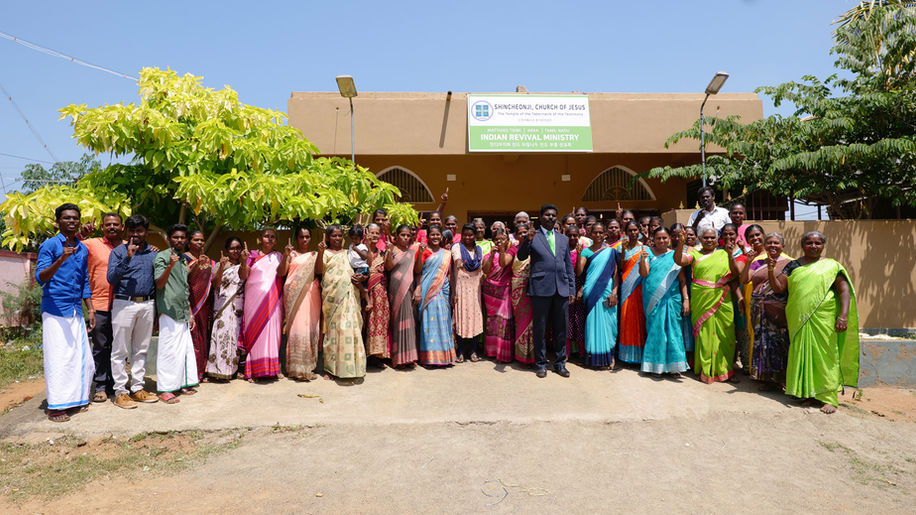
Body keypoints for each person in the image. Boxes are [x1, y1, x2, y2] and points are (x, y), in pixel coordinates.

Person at [770, 231, 859, 414]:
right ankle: (810, 393)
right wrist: (771, 270)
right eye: (809, 243)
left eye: (817, 243)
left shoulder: (831, 266)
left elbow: (844, 291)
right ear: (802, 246)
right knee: (803, 354)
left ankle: (828, 398)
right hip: (798, 318)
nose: (813, 246)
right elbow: (778, 288)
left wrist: (843, 316)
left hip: (824, 318)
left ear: (823, 245)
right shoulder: (793, 266)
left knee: (826, 355)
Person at [36, 203, 95, 422]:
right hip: (54, 309)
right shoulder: (49, 245)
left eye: (75, 218)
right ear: (58, 221)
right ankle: (56, 407)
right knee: (57, 358)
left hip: (74, 309)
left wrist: (90, 309)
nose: (72, 221)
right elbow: (41, 277)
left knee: (79, 357)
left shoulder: (82, 247)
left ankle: (75, 399)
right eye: (67, 218)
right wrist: (61, 259)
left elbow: (84, 281)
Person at [673, 226, 742, 383]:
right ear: (699, 239)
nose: (709, 240)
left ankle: (725, 370)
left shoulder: (725, 253)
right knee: (704, 335)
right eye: (706, 238)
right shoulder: (694, 253)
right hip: (701, 298)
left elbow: (735, 273)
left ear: (718, 239)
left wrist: (731, 255)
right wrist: (681, 243)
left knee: (726, 335)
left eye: (712, 238)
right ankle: (706, 370)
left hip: (723, 299)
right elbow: (679, 260)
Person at [516, 204, 575, 378]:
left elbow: (568, 266)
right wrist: (527, 240)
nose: (550, 218)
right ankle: (541, 364)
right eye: (547, 215)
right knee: (540, 328)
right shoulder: (533, 236)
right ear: (540, 217)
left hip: (561, 288)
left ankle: (560, 363)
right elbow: (521, 257)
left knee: (560, 329)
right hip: (541, 288)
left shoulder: (563, 239)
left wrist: (571, 288)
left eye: (553, 215)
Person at [107, 214, 159, 409]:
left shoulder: (153, 254)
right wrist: (128, 258)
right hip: (124, 303)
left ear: (146, 232)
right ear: (126, 232)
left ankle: (137, 388)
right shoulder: (118, 252)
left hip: (147, 304)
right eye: (131, 231)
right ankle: (120, 392)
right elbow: (111, 278)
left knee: (141, 349)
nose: (135, 234)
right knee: (120, 350)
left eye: (139, 231)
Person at [741, 228, 792, 388]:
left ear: (782, 245)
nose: (772, 246)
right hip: (758, 310)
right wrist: (748, 262)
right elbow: (744, 279)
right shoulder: (758, 261)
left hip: (777, 311)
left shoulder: (790, 263)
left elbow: (786, 288)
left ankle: (782, 379)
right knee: (762, 343)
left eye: (776, 243)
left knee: (779, 343)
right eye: (769, 243)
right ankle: (767, 379)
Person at [153, 225, 198, 403]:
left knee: (183, 350)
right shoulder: (163, 257)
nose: (179, 240)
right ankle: (164, 389)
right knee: (168, 351)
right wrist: (169, 265)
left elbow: (184, 289)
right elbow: (159, 284)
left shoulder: (182, 260)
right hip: (168, 311)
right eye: (175, 237)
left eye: (182, 238)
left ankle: (180, 383)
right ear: (169, 239)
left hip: (182, 312)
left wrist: (190, 313)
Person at [316, 225, 367, 380]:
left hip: (350, 296)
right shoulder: (324, 253)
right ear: (327, 237)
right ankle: (330, 369)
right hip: (332, 298)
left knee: (351, 330)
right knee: (333, 333)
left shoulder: (348, 253)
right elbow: (319, 271)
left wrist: (362, 277)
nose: (337, 238)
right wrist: (319, 253)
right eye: (334, 236)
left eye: (340, 235)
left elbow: (362, 267)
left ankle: (353, 367)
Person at [82, 212, 123, 403]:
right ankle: (100, 386)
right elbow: (70, 250)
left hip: (123, 305)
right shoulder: (91, 244)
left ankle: (117, 384)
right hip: (98, 304)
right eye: (108, 224)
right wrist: (81, 235)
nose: (112, 227)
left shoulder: (128, 247)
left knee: (119, 347)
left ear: (122, 227)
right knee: (100, 346)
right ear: (102, 227)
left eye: (115, 224)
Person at [639, 227, 689, 376]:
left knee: (674, 331)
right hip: (652, 298)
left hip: (672, 298)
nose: (661, 241)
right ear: (653, 239)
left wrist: (686, 299)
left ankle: (675, 367)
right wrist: (642, 259)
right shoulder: (647, 254)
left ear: (669, 239)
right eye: (658, 238)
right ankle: (655, 366)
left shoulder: (675, 255)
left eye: (664, 238)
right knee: (656, 331)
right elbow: (644, 274)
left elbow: (682, 280)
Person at [239, 228, 286, 380]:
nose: (270, 239)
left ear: (276, 241)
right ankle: (254, 371)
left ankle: (271, 369)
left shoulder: (279, 256)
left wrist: (286, 257)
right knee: (254, 333)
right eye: (266, 236)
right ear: (260, 239)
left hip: (274, 301)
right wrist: (244, 260)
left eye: (273, 237)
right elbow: (243, 275)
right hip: (254, 300)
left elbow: (281, 273)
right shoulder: (251, 255)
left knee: (272, 333)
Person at [576, 222, 618, 368]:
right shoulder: (586, 251)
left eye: (601, 232)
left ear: (605, 234)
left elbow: (616, 274)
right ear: (590, 234)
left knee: (609, 324)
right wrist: (580, 253)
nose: (598, 235)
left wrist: (614, 293)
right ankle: (594, 358)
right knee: (593, 324)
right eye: (595, 232)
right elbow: (579, 272)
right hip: (591, 291)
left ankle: (610, 357)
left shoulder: (612, 251)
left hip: (607, 290)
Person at [415, 225, 456, 366]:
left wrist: (451, 293)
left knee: (443, 321)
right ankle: (429, 357)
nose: (435, 237)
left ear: (442, 236)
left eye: (437, 234)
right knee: (429, 322)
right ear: (428, 236)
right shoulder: (424, 251)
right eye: (432, 235)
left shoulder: (447, 253)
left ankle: (445, 356)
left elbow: (449, 274)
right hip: (428, 291)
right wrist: (420, 254)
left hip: (442, 291)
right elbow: (418, 271)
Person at [283, 228, 322, 380]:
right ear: (296, 239)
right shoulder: (291, 254)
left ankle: (308, 368)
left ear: (310, 238)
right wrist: (285, 255)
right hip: (293, 296)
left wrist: (321, 252)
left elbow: (319, 271)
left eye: (307, 237)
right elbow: (281, 273)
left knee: (309, 328)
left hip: (311, 295)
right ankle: (294, 368)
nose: (304, 240)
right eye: (301, 237)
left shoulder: (315, 255)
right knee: (296, 329)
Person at [207, 237, 244, 381]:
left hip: (237, 309)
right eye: (232, 248)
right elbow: (215, 285)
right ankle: (218, 369)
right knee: (221, 337)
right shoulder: (219, 265)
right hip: (222, 308)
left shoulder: (243, 266)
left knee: (235, 339)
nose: (235, 251)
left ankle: (233, 370)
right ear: (227, 250)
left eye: (238, 248)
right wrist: (222, 267)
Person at [386, 225, 420, 367]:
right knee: (398, 322)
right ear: (397, 236)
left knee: (409, 322)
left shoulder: (412, 252)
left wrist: (418, 289)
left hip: (409, 289)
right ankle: (399, 359)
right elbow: (388, 268)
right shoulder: (392, 249)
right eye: (402, 235)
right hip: (395, 289)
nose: (406, 238)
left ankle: (410, 358)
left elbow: (418, 271)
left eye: (408, 235)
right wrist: (388, 253)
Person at [452, 223, 484, 363]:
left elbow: (481, 267)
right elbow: (457, 259)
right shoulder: (457, 247)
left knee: (475, 319)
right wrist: (459, 262)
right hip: (462, 288)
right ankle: (460, 351)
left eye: (470, 234)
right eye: (465, 234)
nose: (467, 237)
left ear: (474, 235)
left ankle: (473, 350)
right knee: (461, 318)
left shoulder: (478, 249)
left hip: (475, 289)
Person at [481, 228, 515, 362]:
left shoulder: (510, 255)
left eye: (502, 239)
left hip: (505, 291)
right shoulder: (488, 255)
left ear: (508, 241)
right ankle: (491, 351)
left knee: (504, 321)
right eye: (497, 239)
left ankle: (503, 354)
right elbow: (485, 270)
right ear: (492, 241)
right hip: (490, 292)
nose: (499, 241)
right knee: (492, 321)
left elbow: (506, 264)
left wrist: (501, 252)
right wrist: (491, 255)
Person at [618, 221, 648, 365]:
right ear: (626, 232)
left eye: (635, 230)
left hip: (639, 287)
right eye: (630, 230)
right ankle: (626, 355)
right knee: (626, 318)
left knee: (639, 319)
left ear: (640, 230)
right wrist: (623, 251)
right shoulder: (621, 247)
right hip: (626, 287)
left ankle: (639, 354)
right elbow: (621, 267)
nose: (633, 233)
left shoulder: (644, 247)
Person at [184, 230, 213, 382]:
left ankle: (202, 371)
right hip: (190, 304)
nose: (200, 243)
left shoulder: (207, 260)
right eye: (196, 240)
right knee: (193, 338)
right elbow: (185, 279)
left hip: (204, 304)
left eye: (202, 240)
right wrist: (197, 265)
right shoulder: (184, 258)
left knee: (203, 338)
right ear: (189, 242)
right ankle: (193, 373)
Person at [365, 224, 391, 365]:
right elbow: (367, 266)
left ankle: (378, 355)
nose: (374, 235)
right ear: (367, 233)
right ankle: (367, 355)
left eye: (377, 233)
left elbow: (387, 268)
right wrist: (368, 247)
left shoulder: (382, 252)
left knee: (381, 321)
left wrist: (388, 253)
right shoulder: (361, 250)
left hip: (381, 291)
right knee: (368, 322)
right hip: (367, 291)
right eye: (372, 232)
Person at [508, 223, 534, 365]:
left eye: (526, 232)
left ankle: (532, 356)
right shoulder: (513, 249)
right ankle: (521, 356)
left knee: (533, 322)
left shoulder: (535, 247)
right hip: (518, 288)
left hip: (534, 288)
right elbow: (504, 263)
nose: (523, 235)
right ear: (516, 235)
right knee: (521, 321)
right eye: (520, 233)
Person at [566, 224, 586, 356]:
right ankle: (566, 352)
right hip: (565, 287)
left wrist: (582, 289)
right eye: (570, 235)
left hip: (580, 287)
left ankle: (582, 352)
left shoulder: (585, 251)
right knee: (566, 321)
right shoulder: (562, 250)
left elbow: (584, 273)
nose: (572, 238)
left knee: (579, 320)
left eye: (575, 235)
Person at [347, 225, 372, 310]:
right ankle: (363, 291)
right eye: (352, 238)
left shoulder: (362, 246)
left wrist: (356, 250)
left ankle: (365, 293)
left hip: (362, 268)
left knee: (355, 279)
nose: (354, 240)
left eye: (356, 238)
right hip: (355, 268)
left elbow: (365, 256)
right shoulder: (351, 246)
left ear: (361, 238)